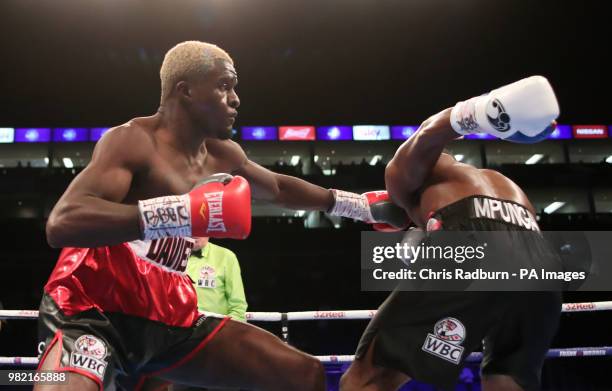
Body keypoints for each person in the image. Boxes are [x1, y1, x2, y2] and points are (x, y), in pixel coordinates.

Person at [35, 40, 408, 391]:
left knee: (303, 374)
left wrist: (358, 206)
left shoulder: (223, 155)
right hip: (92, 311)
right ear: (185, 90)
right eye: (224, 86)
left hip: (170, 316)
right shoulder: (133, 141)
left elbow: (277, 188)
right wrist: (182, 212)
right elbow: (63, 223)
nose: (235, 99)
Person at [340, 76, 563, 391]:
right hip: (540, 259)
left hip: (475, 237)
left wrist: (481, 111)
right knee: (507, 380)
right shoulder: (496, 180)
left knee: (366, 378)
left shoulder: (403, 175)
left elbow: (429, 134)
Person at [188, 237, 247, 322]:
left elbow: (238, 307)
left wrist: (224, 331)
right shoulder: (167, 254)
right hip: (173, 329)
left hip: (214, 330)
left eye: (199, 228)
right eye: (191, 228)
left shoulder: (226, 256)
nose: (194, 234)